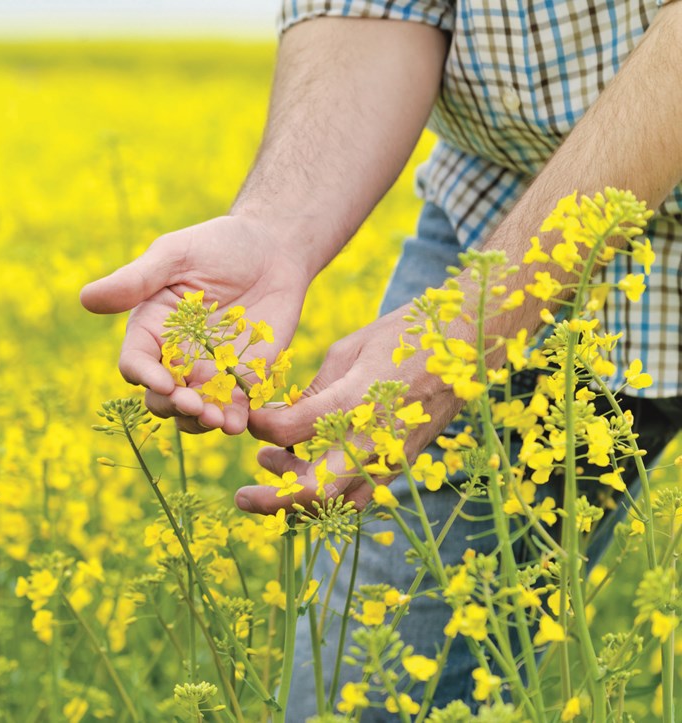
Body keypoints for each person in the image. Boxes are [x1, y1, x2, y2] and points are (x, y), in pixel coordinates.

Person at [81, 1, 682, 718]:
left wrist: (470, 327)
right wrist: (275, 229)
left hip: (506, 271)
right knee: (357, 697)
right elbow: (378, 9)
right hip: (506, 213)